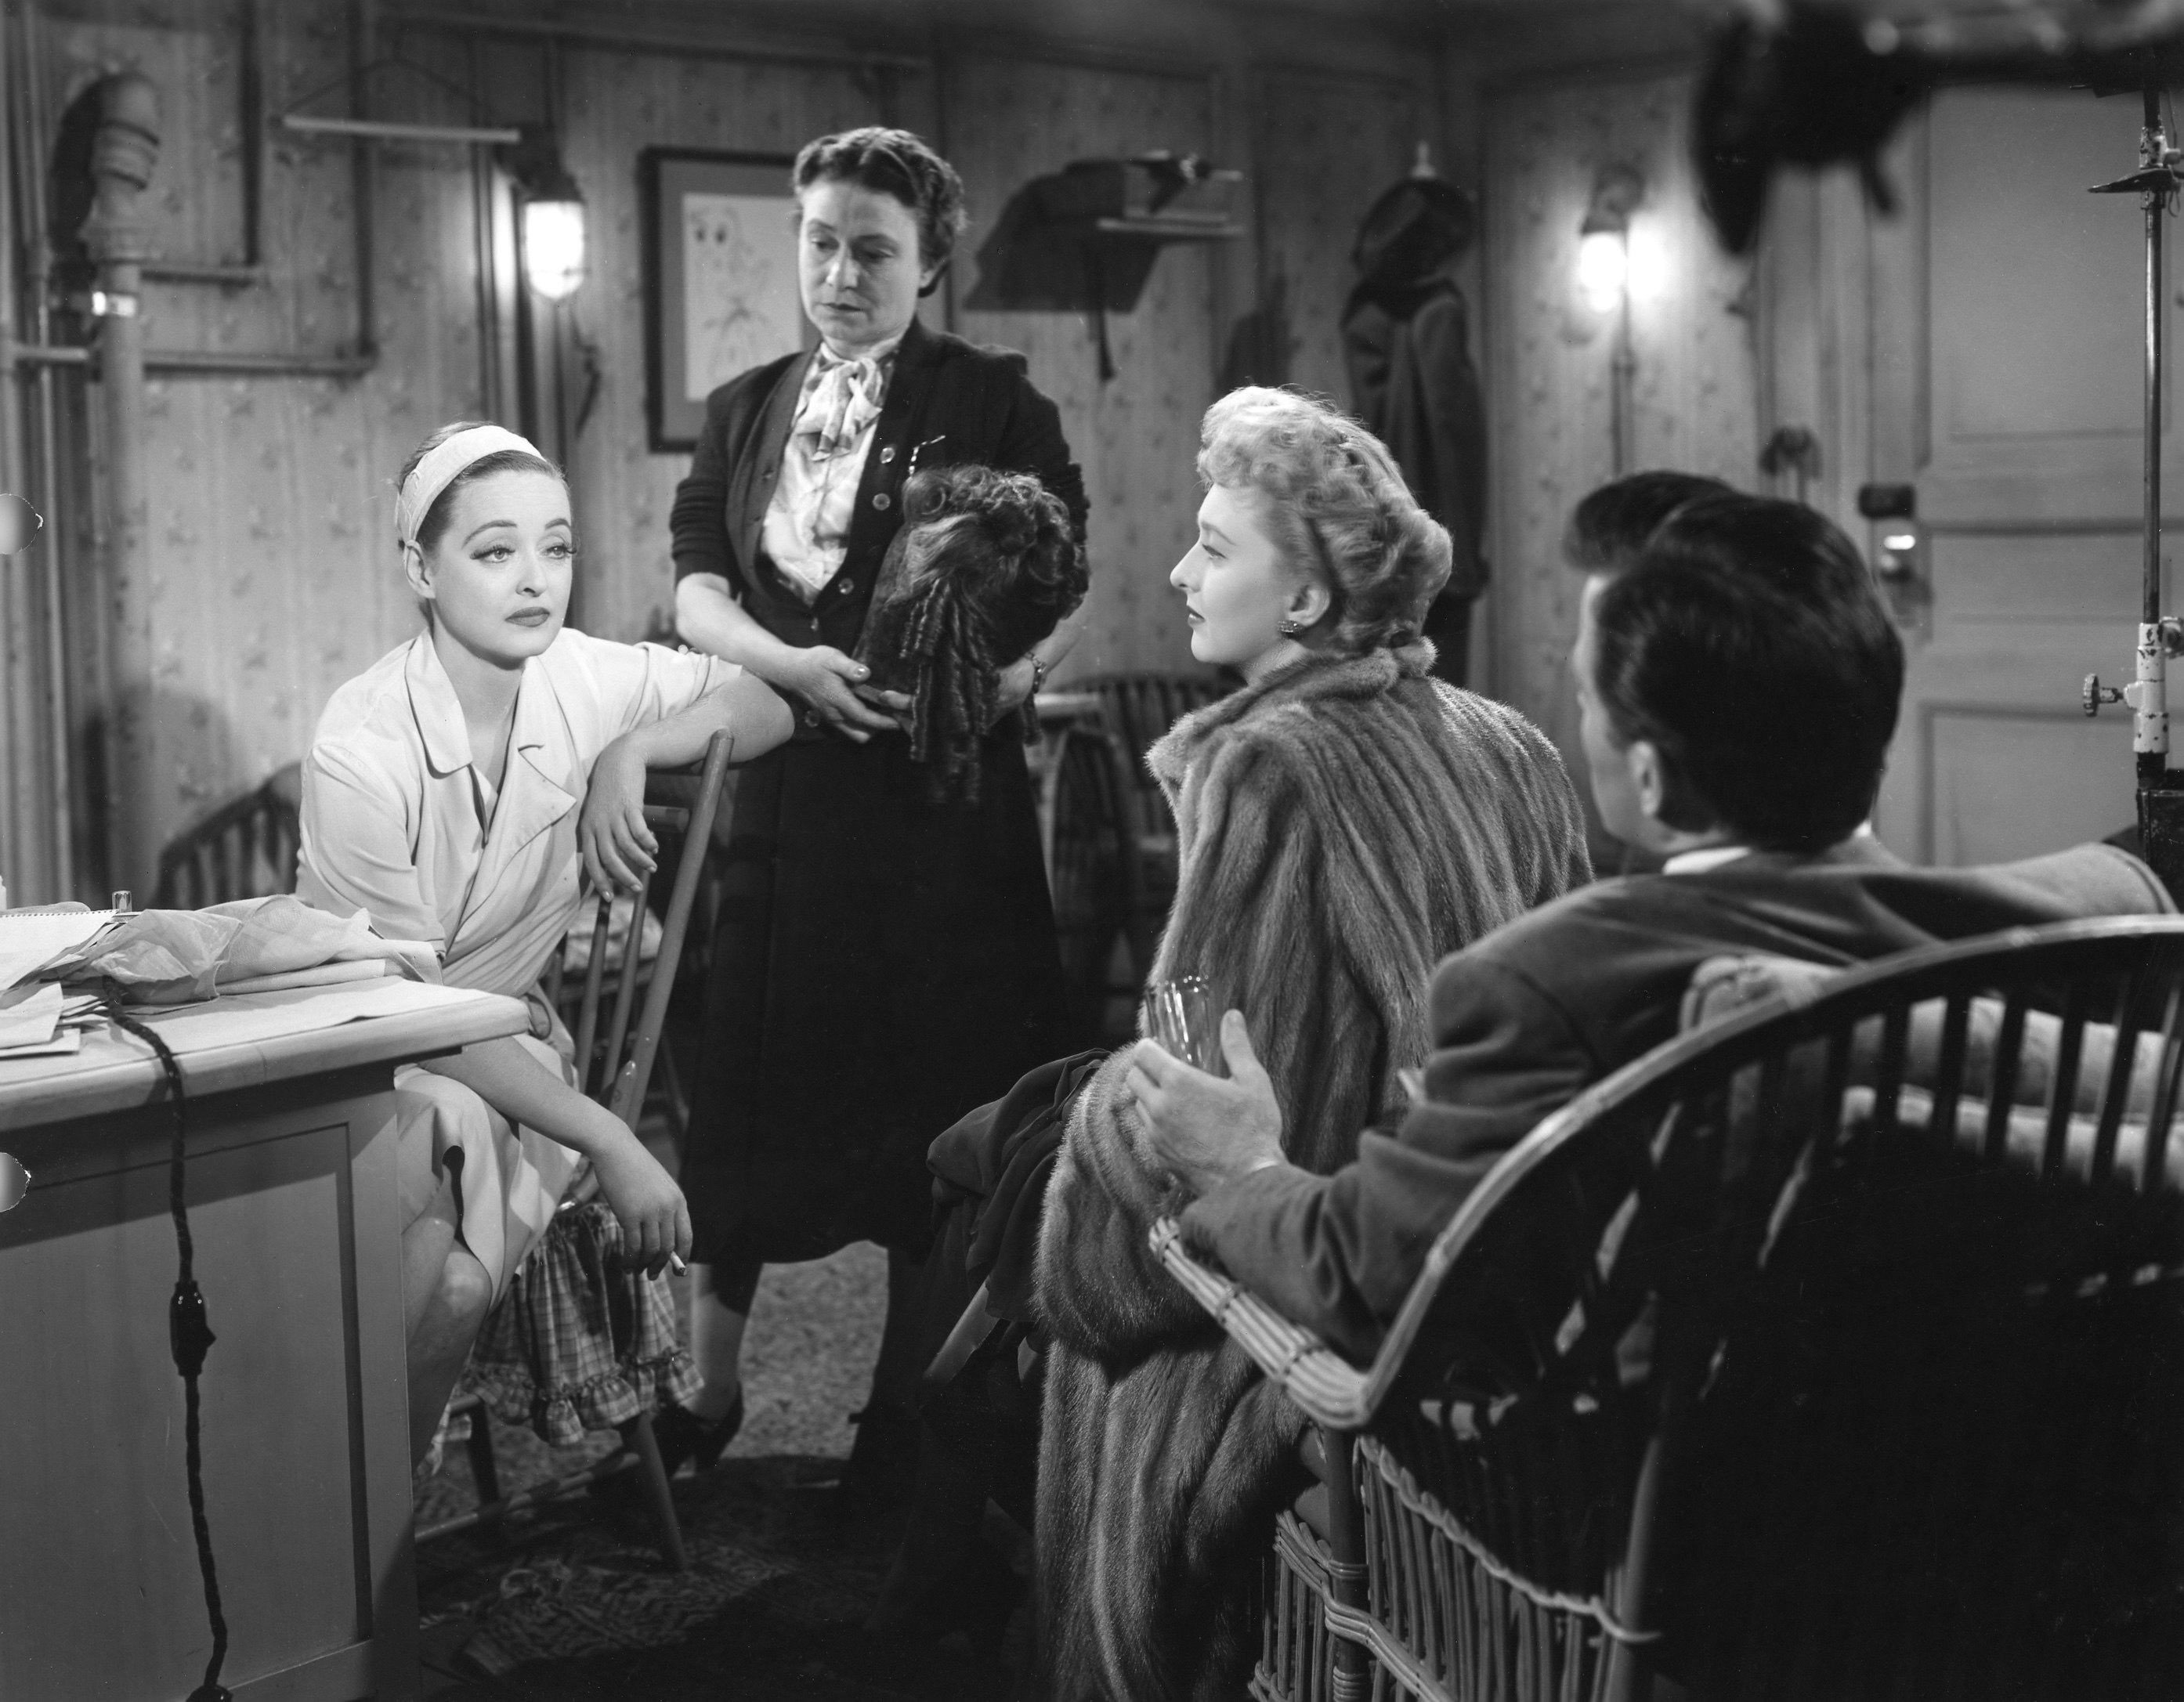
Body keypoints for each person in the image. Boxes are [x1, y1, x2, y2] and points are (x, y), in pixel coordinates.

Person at [1134, 488, 2175, 1370]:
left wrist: (1245, 1167)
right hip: (1999, 1490)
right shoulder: (2103, 920)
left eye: (1589, 697)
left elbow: (1376, 1282)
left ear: (1649, 777)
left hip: (1609, 1518)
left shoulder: (1555, 980)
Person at [1029, 388, 1593, 1700]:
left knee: (1007, 1198)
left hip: (1311, 1277)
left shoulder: (1270, 764)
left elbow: (1192, 1085)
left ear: (1302, 600)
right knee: (1003, 1149)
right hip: (1490, 1261)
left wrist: (1088, 1213)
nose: (1181, 572)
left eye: (1214, 547)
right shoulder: (1510, 740)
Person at [669, 126, 1090, 1484]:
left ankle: (904, 1413)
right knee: (749, 1091)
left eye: (874, 251)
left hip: (934, 812)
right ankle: (708, 1388)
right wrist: (788, 666)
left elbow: (1064, 576)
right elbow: (696, 587)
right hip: (785, 800)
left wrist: (1005, 679)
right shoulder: (742, 407)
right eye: (821, 243)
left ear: (929, 264)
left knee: (931, 1101)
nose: (841, 275)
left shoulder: (993, 397)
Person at [296, 421, 793, 1464]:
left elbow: (766, 702)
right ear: (420, 568)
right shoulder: (361, 746)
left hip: (507, 1063)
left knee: (435, 1188)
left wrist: (633, 752)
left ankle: (335, 1511)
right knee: (446, 1269)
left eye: (556, 547)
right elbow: (403, 1016)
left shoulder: (580, 675)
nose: (536, 579)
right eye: (495, 551)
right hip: (362, 1055)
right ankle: (356, 1502)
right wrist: (613, 1137)